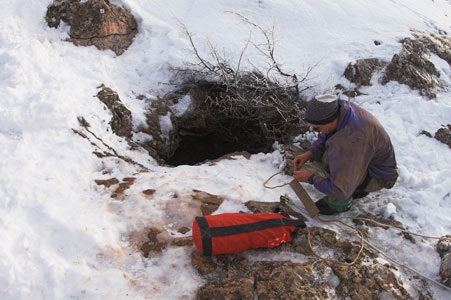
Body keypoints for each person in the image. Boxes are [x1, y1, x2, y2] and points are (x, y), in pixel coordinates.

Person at [292, 94, 398, 215]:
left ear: (330, 121)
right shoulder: (341, 110)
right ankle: (357, 187)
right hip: (369, 164)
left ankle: (338, 204)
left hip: (379, 177)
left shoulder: (350, 140)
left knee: (330, 161)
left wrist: (311, 178)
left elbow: (340, 190)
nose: (317, 132)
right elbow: (326, 135)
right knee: (330, 154)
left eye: (317, 128)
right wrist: (309, 153)